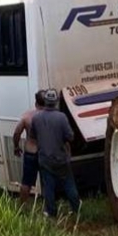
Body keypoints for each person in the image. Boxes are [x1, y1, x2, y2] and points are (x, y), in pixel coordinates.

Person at [31, 88, 81, 218]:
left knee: (48, 186)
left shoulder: (36, 118)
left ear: (45, 101)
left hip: (44, 159)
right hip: (60, 158)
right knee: (69, 184)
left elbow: (33, 136)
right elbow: (70, 137)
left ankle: (51, 212)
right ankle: (76, 208)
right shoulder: (62, 117)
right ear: (56, 101)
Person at [13, 90, 45, 206]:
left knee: (26, 182)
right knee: (48, 180)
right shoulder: (51, 116)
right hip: (45, 153)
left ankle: (22, 206)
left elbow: (17, 133)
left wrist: (16, 146)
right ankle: (49, 207)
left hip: (30, 152)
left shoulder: (27, 116)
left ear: (36, 103)